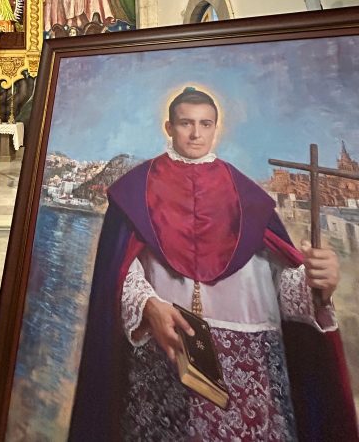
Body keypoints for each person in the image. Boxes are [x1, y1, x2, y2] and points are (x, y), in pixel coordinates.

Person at [69, 87, 357, 441]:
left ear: (215, 128)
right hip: (168, 347)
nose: (195, 133)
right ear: (168, 127)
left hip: (249, 354)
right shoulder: (136, 189)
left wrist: (316, 285)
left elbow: (278, 282)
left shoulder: (245, 194)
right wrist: (148, 305)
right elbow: (122, 269)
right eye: (186, 123)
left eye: (205, 124)